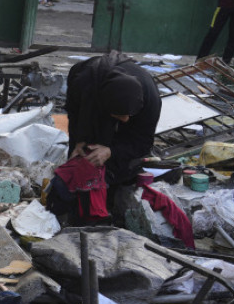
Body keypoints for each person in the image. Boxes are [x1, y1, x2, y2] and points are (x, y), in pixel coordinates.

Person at [49, 51, 161, 224]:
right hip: (93, 101)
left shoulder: (149, 100)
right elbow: (75, 112)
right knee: (78, 165)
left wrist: (111, 151)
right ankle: (68, 212)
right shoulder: (84, 82)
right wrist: (79, 140)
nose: (125, 119)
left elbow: (143, 142)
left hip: (122, 129)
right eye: (119, 114)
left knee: (115, 169)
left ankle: (105, 208)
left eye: (128, 115)